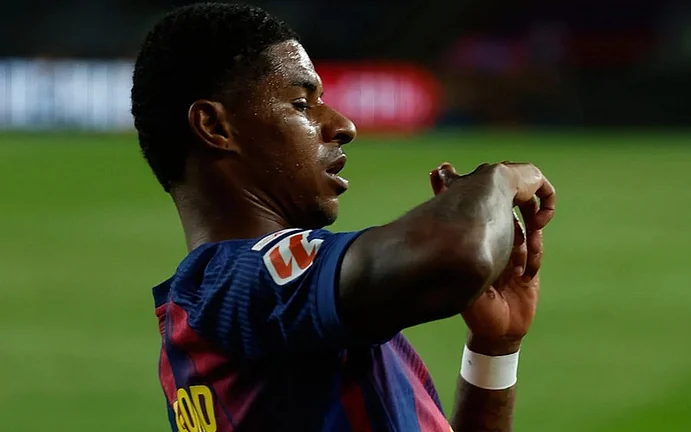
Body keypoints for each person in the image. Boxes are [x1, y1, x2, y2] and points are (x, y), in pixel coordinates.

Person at [131, 3, 556, 431]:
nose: (343, 124)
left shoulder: (249, 315)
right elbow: (460, 252)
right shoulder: (237, 283)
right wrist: (499, 180)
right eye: (302, 104)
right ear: (215, 127)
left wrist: (493, 351)